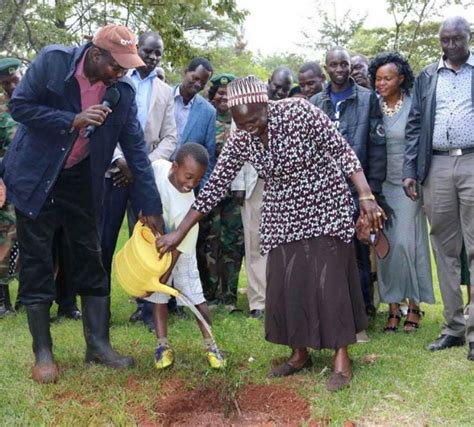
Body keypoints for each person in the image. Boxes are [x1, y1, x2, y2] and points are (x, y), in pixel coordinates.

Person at [157, 76, 386, 391]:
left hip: (323, 200)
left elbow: (342, 151)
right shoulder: (242, 135)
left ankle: (341, 358)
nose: (249, 128)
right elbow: (214, 188)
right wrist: (178, 232)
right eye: (242, 124)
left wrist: (365, 196)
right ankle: (298, 353)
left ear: (266, 104)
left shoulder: (299, 111)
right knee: (286, 280)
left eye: (254, 120)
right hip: (280, 209)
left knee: (328, 278)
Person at [3, 24, 164, 383]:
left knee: (91, 257)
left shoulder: (120, 92)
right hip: (35, 176)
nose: (122, 73)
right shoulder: (52, 62)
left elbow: (136, 151)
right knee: (38, 261)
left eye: (126, 67)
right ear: (95, 55)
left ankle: (98, 345)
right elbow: (19, 106)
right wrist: (70, 120)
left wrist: (150, 207)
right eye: (116, 65)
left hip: (80, 180)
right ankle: (43, 353)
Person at [403, 16, 474, 359]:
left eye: (456, 39)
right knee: (444, 249)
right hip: (438, 165)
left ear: (468, 37)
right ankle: (454, 328)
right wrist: (410, 171)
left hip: (473, 161)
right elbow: (415, 123)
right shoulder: (428, 75)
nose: (449, 46)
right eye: (444, 40)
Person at [100, 31, 176, 328]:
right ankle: (99, 309)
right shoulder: (117, 80)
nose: (153, 57)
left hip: (145, 178)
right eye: (148, 50)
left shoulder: (165, 91)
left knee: (149, 242)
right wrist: (121, 160)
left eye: (158, 52)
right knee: (104, 242)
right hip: (115, 173)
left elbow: (171, 136)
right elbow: (105, 126)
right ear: (136, 49)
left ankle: (147, 311)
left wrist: (142, 165)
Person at [311, 47, 386, 319]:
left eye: (344, 64)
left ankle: (363, 308)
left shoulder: (368, 100)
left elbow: (377, 147)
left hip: (358, 188)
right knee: (327, 251)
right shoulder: (316, 102)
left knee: (358, 250)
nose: (340, 69)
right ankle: (332, 308)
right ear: (326, 68)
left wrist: (372, 192)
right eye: (334, 65)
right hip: (324, 191)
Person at [368, 52, 434, 332]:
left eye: (387, 78)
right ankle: (393, 307)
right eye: (378, 78)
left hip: (408, 186)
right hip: (380, 186)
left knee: (408, 244)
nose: (381, 83)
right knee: (386, 247)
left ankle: (414, 304)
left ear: (401, 79)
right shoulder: (372, 106)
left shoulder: (414, 105)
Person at [145, 143, 226, 370]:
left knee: (194, 299)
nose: (190, 184)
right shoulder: (159, 167)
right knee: (158, 299)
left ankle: (211, 345)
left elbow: (179, 249)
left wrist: (164, 275)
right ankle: (162, 346)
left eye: (197, 181)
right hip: (157, 245)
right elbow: (143, 181)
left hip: (182, 253)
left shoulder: (190, 206)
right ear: (174, 167)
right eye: (188, 176)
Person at [196, 73, 244, 309]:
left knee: (233, 244)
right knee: (210, 242)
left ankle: (230, 296)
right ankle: (210, 294)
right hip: (210, 190)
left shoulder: (242, 119)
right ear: (212, 94)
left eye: (229, 93)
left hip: (235, 193)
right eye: (220, 92)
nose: (224, 97)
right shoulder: (206, 118)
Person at [0, 57, 21, 318]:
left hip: (33, 186)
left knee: (34, 242)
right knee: (5, 241)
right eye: (6, 83)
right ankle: (2, 300)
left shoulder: (35, 104)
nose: (12, 86)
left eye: (15, 80)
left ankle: (30, 297)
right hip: (7, 187)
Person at [173, 57, 216, 188]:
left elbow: (208, 156)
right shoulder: (162, 96)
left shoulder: (209, 112)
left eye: (203, 82)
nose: (198, 84)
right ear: (185, 72)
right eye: (195, 78)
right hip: (154, 172)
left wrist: (201, 192)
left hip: (185, 184)